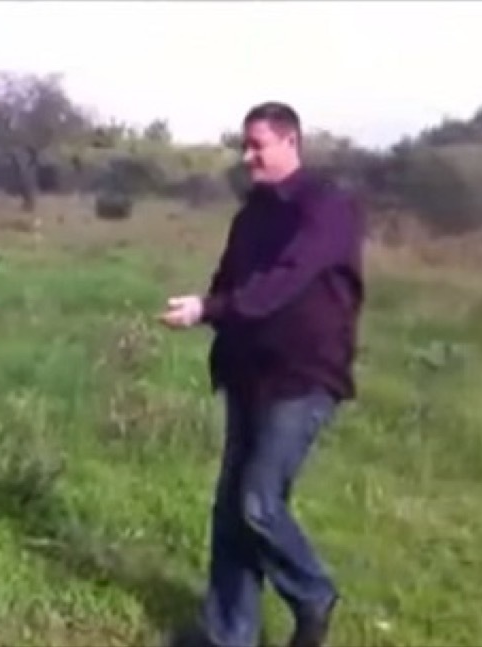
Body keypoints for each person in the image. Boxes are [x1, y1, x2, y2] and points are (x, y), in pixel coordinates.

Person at [159, 101, 365, 647]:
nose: (247, 156)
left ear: (290, 143)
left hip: (303, 375)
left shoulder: (326, 206)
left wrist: (210, 309)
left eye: (258, 145)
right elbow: (230, 285)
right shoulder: (251, 215)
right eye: (244, 146)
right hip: (248, 372)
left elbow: (286, 278)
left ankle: (313, 593)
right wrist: (204, 307)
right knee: (232, 512)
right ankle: (230, 634)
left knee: (258, 502)